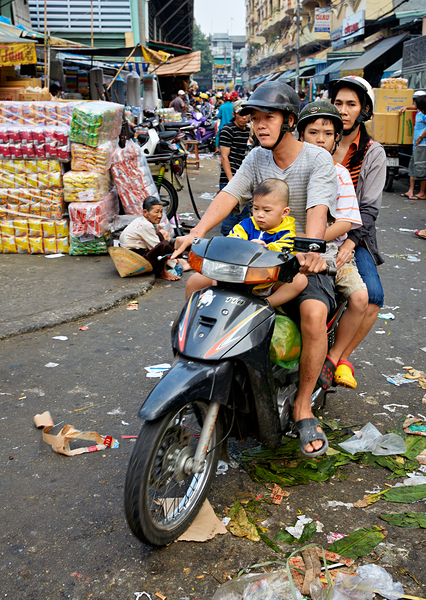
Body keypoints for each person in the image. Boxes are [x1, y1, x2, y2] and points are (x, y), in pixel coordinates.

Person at [172, 81, 338, 457]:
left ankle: (302, 405)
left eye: (269, 117)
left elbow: (318, 206)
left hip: (299, 261)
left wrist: (311, 249)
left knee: (314, 312)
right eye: (255, 118)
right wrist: (195, 233)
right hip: (254, 260)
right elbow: (230, 194)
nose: (260, 125)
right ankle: (195, 375)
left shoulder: (317, 160)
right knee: (197, 283)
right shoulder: (255, 158)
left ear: (289, 120)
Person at [297, 101, 368, 388]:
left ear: (337, 137)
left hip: (329, 251)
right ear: (300, 134)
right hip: (284, 249)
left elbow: (345, 223)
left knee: (361, 298)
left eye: (328, 133)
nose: (320, 139)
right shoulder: (292, 168)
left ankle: (333, 356)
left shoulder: (340, 174)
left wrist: (307, 239)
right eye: (313, 132)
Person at [331, 75, 386, 388]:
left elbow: (368, 210)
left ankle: (339, 357)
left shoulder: (372, 153)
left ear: (364, 109)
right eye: (338, 103)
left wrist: (350, 243)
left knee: (373, 296)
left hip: (357, 235)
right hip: (315, 230)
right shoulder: (319, 138)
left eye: (351, 104)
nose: (343, 110)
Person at [186, 179, 308, 305]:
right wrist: (246, 245)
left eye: (267, 210)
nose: (259, 215)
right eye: (255, 208)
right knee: (194, 281)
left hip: (269, 281)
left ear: (284, 212)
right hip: (239, 279)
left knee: (300, 280)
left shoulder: (288, 232)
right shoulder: (246, 224)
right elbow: (233, 238)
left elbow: (285, 249)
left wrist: (264, 249)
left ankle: (265, 304)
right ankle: (194, 316)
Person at [119, 196, 188, 281]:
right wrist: (174, 260)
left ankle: (176, 261)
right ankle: (163, 272)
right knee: (164, 247)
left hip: (132, 251)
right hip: (134, 256)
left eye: (161, 212)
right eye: (156, 212)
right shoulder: (145, 225)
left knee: (162, 235)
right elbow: (157, 246)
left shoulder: (141, 221)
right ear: (145, 212)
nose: (160, 215)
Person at [219, 99, 251, 235]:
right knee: (236, 215)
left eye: (246, 114)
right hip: (230, 179)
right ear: (234, 114)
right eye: (240, 114)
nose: (244, 117)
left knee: (239, 215)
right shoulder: (228, 130)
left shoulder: (247, 131)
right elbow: (224, 157)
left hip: (242, 178)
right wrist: (231, 180)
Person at [399, 91, 426, 200]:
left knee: (421, 169)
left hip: (422, 145)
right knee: (412, 169)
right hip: (416, 145)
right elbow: (414, 107)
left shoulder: (424, 114)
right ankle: (410, 191)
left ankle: (422, 193)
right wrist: (405, 107)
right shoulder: (420, 112)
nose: (415, 104)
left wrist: (420, 138)